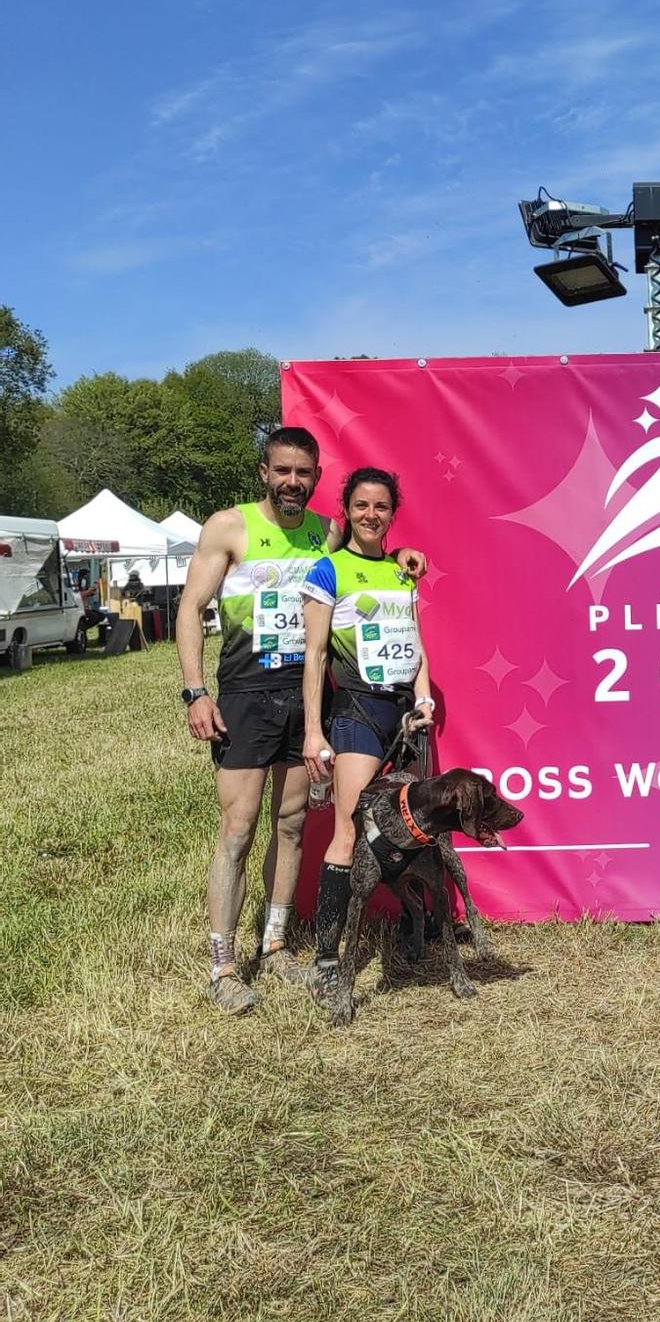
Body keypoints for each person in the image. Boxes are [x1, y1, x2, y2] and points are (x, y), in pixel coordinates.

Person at [176, 428, 424, 1014]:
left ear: (315, 477)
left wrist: (402, 557)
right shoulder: (228, 527)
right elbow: (189, 607)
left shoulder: (325, 531)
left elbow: (360, 563)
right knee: (237, 830)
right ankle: (223, 964)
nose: (293, 482)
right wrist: (195, 691)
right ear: (264, 471)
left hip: (305, 696)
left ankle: (277, 943)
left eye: (303, 473)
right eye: (282, 470)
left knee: (290, 826)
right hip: (243, 695)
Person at [300, 467, 436, 994]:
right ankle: (330, 959)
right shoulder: (329, 569)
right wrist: (314, 731)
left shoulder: (404, 571)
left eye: (380, 507)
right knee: (351, 833)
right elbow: (314, 656)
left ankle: (413, 924)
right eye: (361, 506)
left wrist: (424, 698)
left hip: (404, 717)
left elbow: (415, 642)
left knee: (410, 830)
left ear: (391, 513)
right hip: (356, 712)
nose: (370, 515)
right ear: (347, 510)